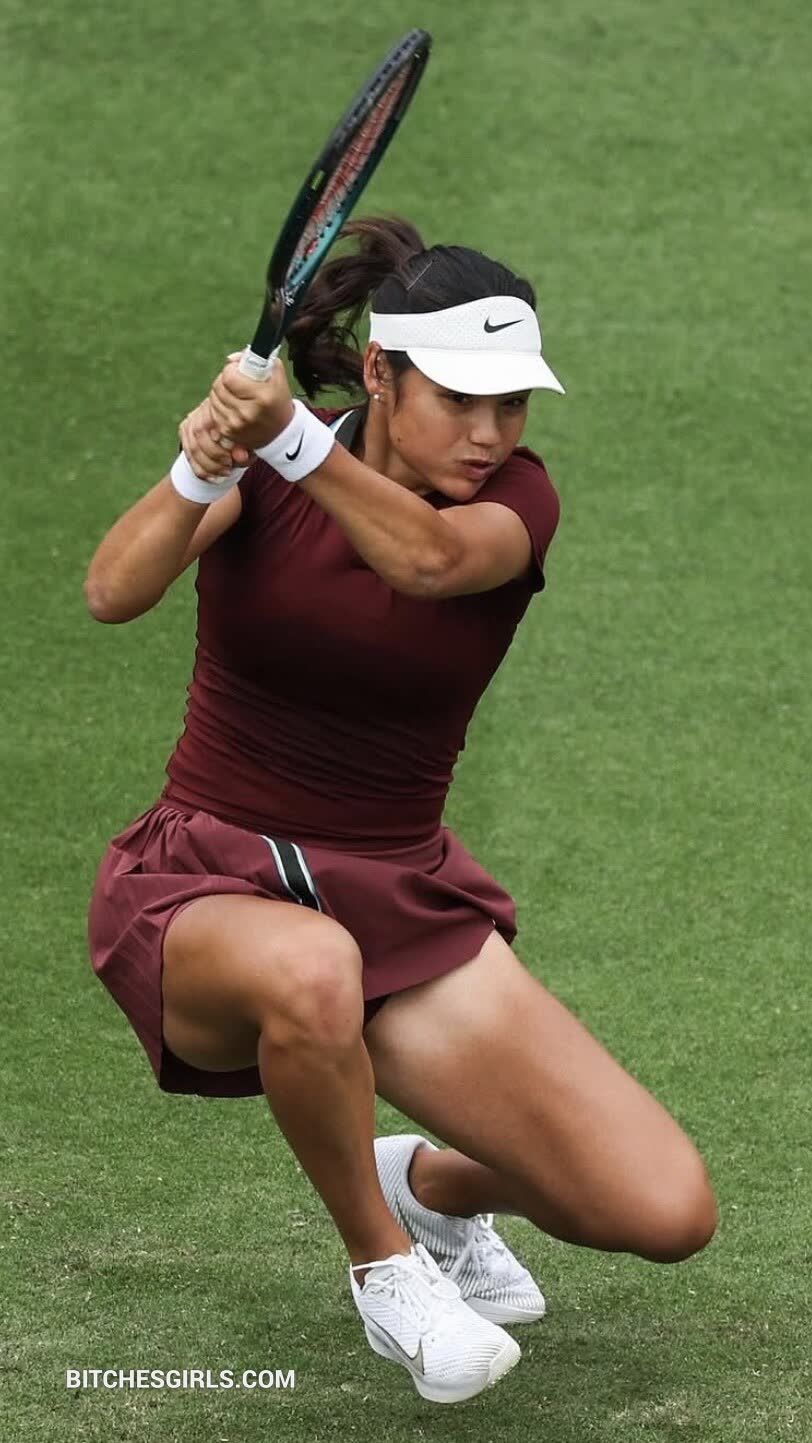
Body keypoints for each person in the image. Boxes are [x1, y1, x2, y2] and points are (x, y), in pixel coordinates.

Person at [84, 216, 718, 1405]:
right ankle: (384, 1269)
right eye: (460, 399)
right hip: (201, 887)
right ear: (380, 372)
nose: (489, 435)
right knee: (310, 967)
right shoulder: (269, 471)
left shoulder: (515, 503)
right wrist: (201, 464)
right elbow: (112, 591)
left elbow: (424, 563)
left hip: (394, 904)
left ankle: (425, 1190)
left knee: (663, 1210)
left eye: (511, 404)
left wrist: (284, 442)